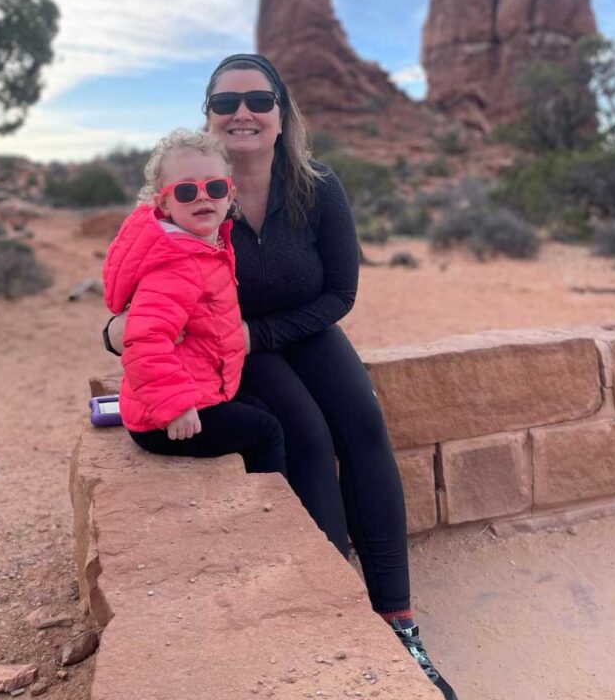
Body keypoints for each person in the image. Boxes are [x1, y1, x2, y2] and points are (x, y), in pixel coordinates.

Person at [105, 58, 457, 699]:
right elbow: (136, 292)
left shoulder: (318, 188)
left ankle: (397, 616)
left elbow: (341, 292)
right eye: (226, 101)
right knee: (307, 436)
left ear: (281, 114)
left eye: (259, 99)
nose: (243, 111)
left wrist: (258, 334)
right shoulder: (193, 193)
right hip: (232, 349)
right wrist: (115, 333)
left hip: (301, 329)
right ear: (208, 115)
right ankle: (336, 608)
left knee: (365, 430)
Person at [103, 127, 286, 476]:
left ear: (229, 194)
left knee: (262, 410)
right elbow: (144, 339)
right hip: (163, 417)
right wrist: (176, 406)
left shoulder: (205, 248)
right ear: (163, 202)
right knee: (267, 433)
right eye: (187, 191)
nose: (203, 198)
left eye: (214, 188)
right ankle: (270, 518)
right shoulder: (175, 263)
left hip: (196, 391)